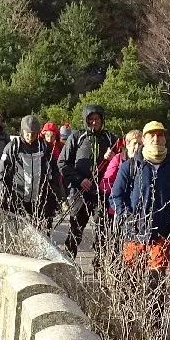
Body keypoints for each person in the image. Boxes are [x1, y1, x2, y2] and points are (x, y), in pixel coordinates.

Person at [108, 121, 170, 320]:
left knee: (156, 285)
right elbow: (115, 196)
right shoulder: (130, 166)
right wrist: (128, 217)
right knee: (131, 284)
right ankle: (129, 325)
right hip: (133, 235)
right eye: (151, 135)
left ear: (165, 138)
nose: (156, 139)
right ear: (143, 140)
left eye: (160, 135)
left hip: (160, 235)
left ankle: (154, 331)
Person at [58, 104, 116, 258]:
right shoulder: (76, 137)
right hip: (80, 192)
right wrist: (79, 179)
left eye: (97, 119)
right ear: (85, 120)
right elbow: (62, 163)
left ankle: (100, 267)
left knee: (103, 232)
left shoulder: (111, 139)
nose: (94, 122)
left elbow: (121, 164)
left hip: (102, 193)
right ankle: (69, 262)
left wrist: (114, 158)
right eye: (90, 119)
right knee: (75, 230)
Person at [0, 115, 64, 224]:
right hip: (18, 199)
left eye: (33, 134)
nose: (30, 137)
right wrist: (2, 195)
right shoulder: (12, 147)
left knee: (41, 232)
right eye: (27, 134)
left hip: (40, 200)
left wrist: (58, 196)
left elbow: (54, 173)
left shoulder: (44, 147)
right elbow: (2, 174)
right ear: (22, 131)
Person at [100, 128, 141, 211]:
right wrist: (119, 187)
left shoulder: (144, 162)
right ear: (128, 144)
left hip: (138, 210)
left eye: (140, 144)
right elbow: (104, 184)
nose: (137, 147)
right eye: (135, 143)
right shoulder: (118, 159)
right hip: (119, 209)